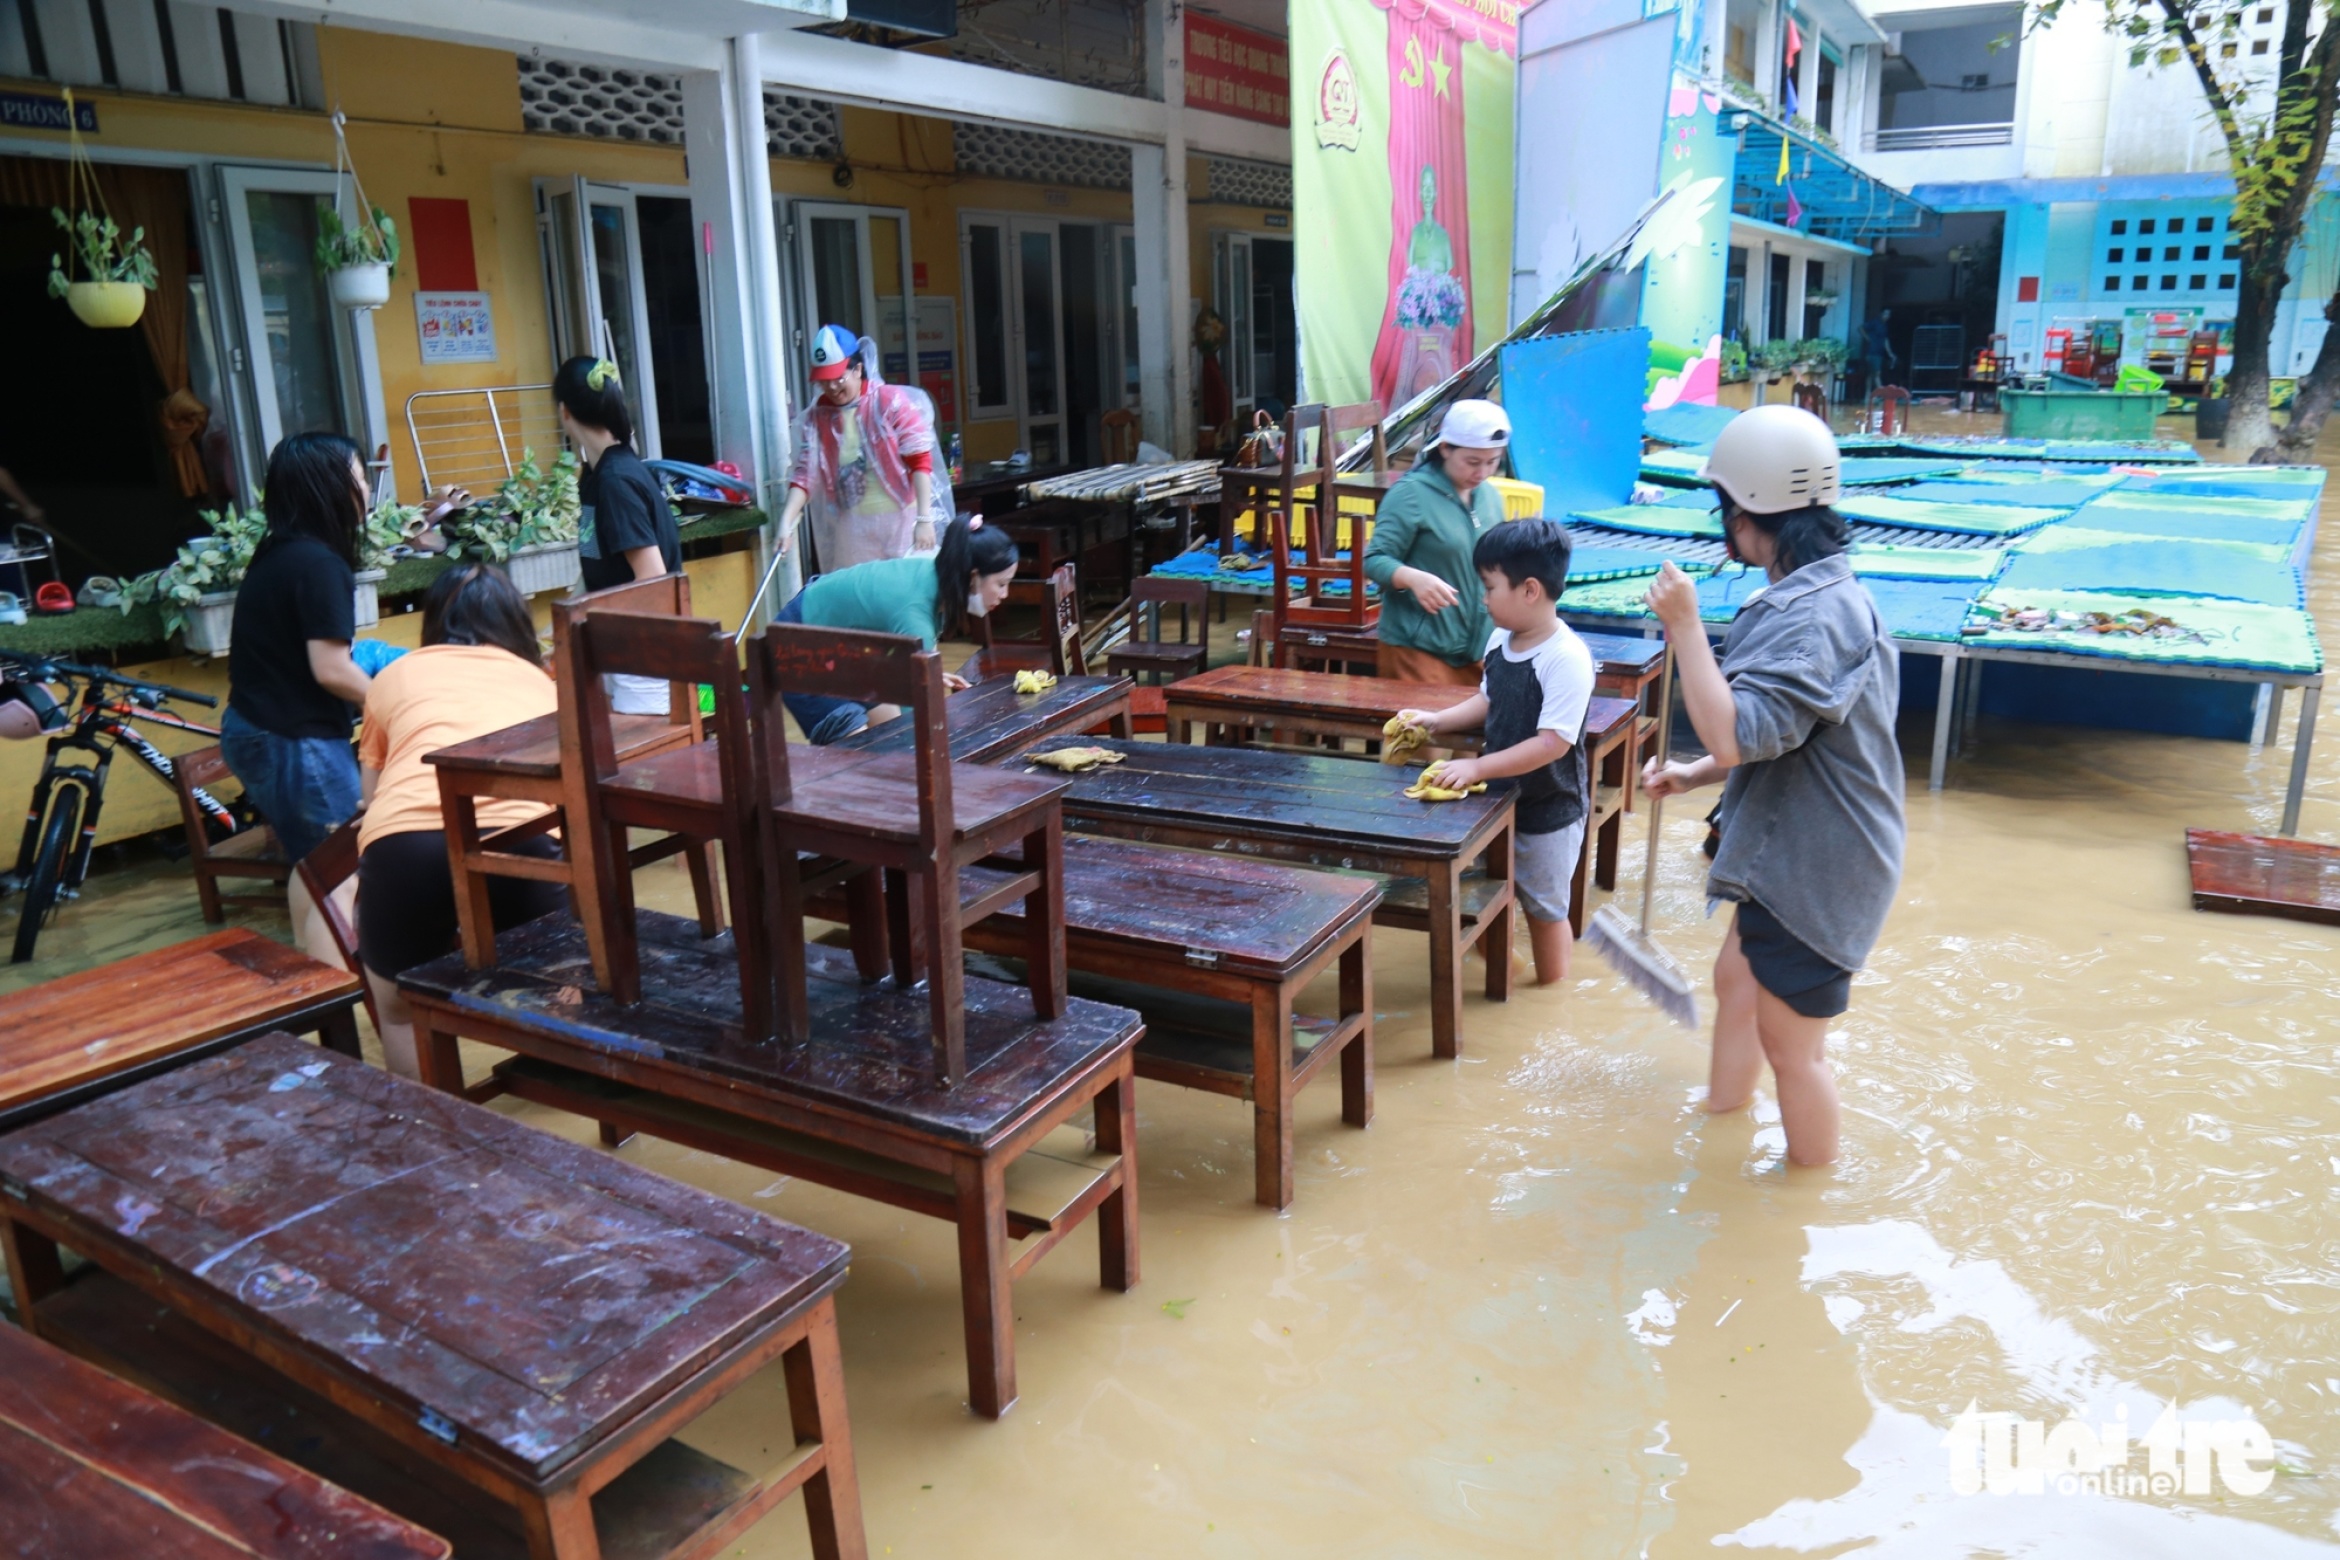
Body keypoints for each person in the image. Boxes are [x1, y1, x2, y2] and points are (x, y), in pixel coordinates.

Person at [1638, 405, 1906, 1168]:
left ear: (1751, 516)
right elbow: (1774, 735)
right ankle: (1721, 1113)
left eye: (1726, 513)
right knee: (1737, 980)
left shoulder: (1815, 620)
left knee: (1796, 1049)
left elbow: (1733, 731)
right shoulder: (1817, 594)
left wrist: (1686, 627)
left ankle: (1803, 1199)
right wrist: (1694, 774)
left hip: (1820, 860)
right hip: (1789, 843)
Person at [354, 563, 563, 1077]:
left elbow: (369, 798)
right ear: (514, 624)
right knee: (556, 996)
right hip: (521, 841)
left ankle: (431, 1131)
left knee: (401, 1012)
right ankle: (561, 1108)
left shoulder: (393, 676)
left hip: (403, 846)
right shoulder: (540, 682)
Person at [1394, 520, 1594, 986]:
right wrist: (1437, 721)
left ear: (1529, 590)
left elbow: (1552, 743)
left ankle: (1551, 993)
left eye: (1489, 586)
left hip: (1549, 808)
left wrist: (1477, 765)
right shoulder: (1500, 640)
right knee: (1477, 900)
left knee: (1546, 910)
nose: (1482, 598)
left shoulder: (1566, 657)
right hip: (1494, 803)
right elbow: (1488, 700)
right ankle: (1508, 972)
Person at [220, 432, 373, 864]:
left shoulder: (280, 550)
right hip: (293, 739)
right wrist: (393, 702)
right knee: (344, 871)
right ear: (326, 488)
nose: (365, 490)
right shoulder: (319, 564)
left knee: (316, 867)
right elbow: (331, 670)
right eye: (358, 478)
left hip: (258, 726)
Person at [775, 513, 1019, 743]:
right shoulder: (915, 613)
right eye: (1001, 584)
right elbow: (916, 725)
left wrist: (921, 673)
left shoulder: (936, 576)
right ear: (974, 576)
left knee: (891, 732)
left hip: (849, 652)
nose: (1006, 594)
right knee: (866, 748)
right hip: (798, 648)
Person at [556, 354, 681, 714]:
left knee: (645, 767)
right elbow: (596, 558)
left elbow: (652, 579)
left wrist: (584, 616)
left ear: (565, 411)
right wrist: (569, 614)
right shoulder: (596, 475)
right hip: (616, 644)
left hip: (644, 652)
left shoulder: (616, 481)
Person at [1362, 398, 1512, 687]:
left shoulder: (1490, 498)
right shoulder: (1410, 494)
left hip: (1479, 649)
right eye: (1472, 462)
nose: (1482, 473)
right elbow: (1374, 559)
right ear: (1445, 448)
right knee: (1418, 732)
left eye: (1492, 462)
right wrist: (1412, 578)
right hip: (1418, 650)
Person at [778, 324, 941, 572]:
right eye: (824, 381)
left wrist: (924, 518)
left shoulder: (889, 402)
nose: (832, 388)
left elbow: (919, 459)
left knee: (902, 595)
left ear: (858, 369)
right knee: (858, 599)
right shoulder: (818, 417)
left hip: (900, 520)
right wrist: (786, 522)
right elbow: (804, 476)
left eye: (838, 378)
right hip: (852, 525)